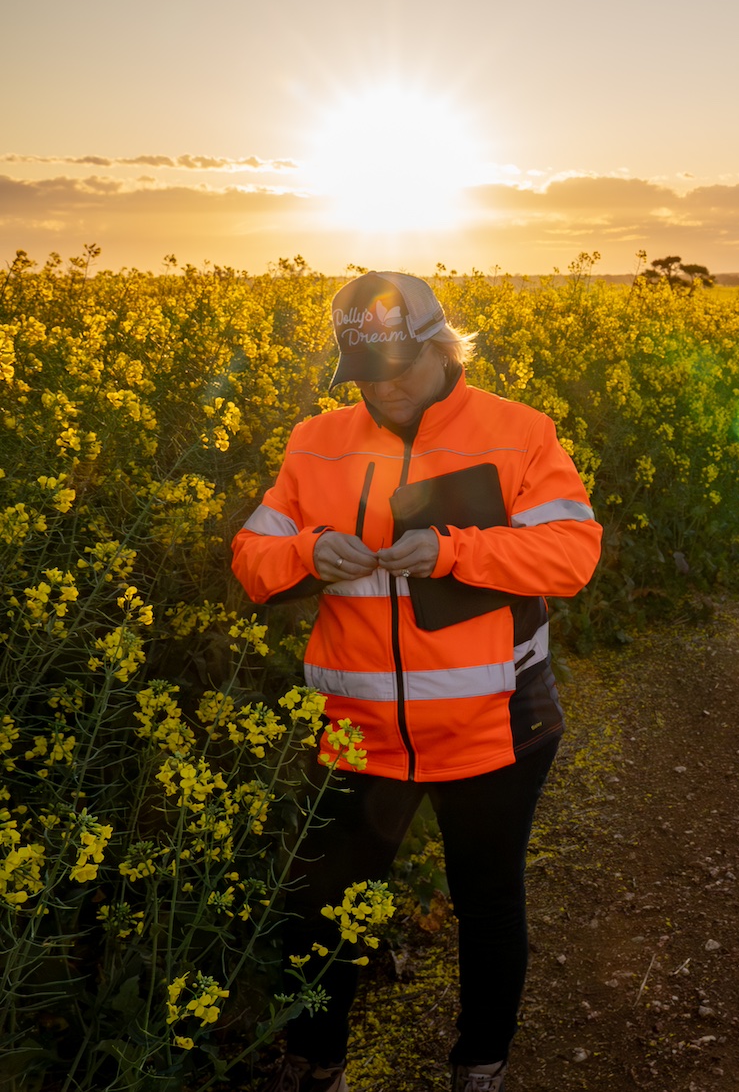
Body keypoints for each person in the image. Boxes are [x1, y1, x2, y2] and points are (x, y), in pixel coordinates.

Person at [232, 272, 603, 1092]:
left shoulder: (518, 434)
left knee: (487, 903)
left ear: (444, 348)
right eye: (367, 373)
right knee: (321, 909)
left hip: (497, 724)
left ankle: (481, 1065)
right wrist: (304, 555)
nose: (386, 387)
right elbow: (252, 557)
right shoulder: (315, 440)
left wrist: (451, 549)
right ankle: (317, 1062)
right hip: (355, 729)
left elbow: (572, 555)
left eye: (402, 365)